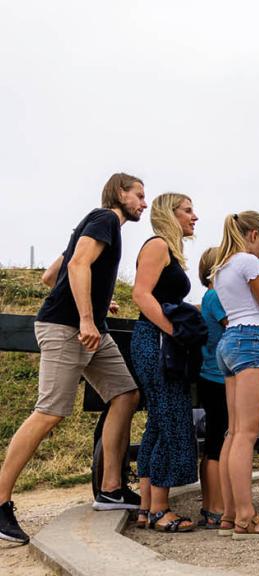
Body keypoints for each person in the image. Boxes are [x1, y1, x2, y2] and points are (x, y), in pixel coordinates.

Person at [0, 173, 146, 544]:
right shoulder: (106, 219)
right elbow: (78, 266)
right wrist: (84, 316)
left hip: (88, 326)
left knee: (125, 394)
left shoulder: (94, 224)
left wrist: (96, 302)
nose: (143, 203)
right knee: (49, 412)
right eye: (139, 196)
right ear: (120, 194)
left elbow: (54, 275)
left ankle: (112, 487)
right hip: (69, 329)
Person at [213, 211, 259, 539]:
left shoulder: (223, 266)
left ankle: (230, 516)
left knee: (233, 432)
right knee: (246, 434)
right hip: (251, 342)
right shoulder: (247, 261)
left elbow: (250, 302)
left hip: (229, 344)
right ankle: (246, 516)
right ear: (254, 234)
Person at [130, 193, 201, 533]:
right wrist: (174, 329)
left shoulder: (167, 249)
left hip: (155, 340)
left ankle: (146, 507)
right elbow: (141, 293)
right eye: (187, 210)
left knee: (158, 422)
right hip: (155, 341)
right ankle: (161, 509)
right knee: (172, 419)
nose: (194, 217)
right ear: (169, 213)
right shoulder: (158, 245)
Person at [196, 247, 229, 530]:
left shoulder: (208, 297)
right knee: (218, 443)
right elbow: (237, 324)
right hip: (218, 377)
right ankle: (216, 507)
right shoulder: (216, 295)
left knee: (213, 444)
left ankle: (210, 505)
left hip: (210, 375)